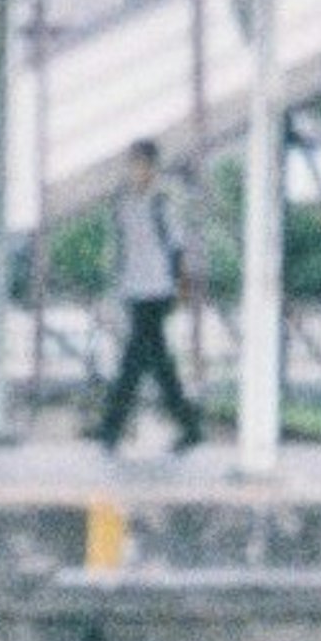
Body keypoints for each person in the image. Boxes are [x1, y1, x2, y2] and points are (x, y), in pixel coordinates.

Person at [92, 139, 206, 453]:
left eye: (142, 164)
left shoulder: (162, 202)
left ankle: (110, 429)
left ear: (152, 167)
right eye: (133, 164)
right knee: (156, 362)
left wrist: (183, 286)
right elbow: (120, 247)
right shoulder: (123, 202)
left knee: (135, 360)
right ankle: (189, 426)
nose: (136, 170)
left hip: (158, 290)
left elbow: (178, 246)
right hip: (133, 288)